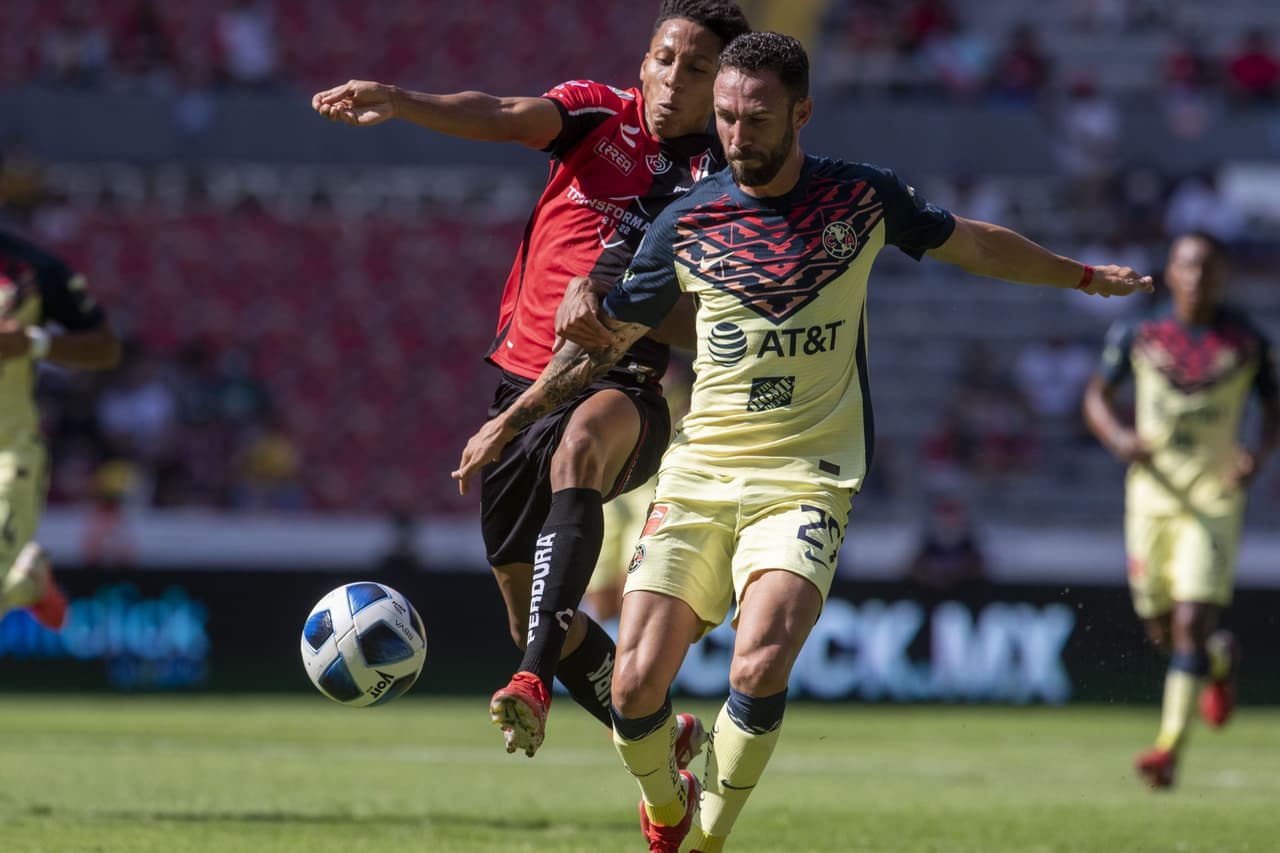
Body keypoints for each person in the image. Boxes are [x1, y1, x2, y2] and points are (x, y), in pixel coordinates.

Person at [454, 31, 1151, 852]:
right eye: (724, 119)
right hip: (702, 468)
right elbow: (602, 337)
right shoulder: (682, 223)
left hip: (807, 476)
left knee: (759, 663)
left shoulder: (860, 199)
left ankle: (703, 837)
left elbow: (973, 242)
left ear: (802, 113)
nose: (735, 136)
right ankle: (666, 800)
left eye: (755, 118)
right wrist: (511, 416)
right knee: (636, 685)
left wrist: (1078, 274)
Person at [314, 0, 752, 761]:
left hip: (626, 388)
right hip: (519, 388)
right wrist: (403, 100)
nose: (675, 78)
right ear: (643, 61)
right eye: (666, 57)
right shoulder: (596, 115)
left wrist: (636, 317)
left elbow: (713, 318)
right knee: (532, 615)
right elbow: (504, 113)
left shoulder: (721, 183)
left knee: (579, 449)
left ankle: (529, 684)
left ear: (722, 87)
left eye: (700, 67)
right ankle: (655, 728)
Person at [1083, 231, 1278, 790]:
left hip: (1213, 498)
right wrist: (1119, 437)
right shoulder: (1139, 334)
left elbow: (1274, 411)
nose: (1198, 276)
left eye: (1209, 267)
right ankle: (1219, 661)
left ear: (1223, 276)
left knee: (1190, 624)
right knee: (1163, 631)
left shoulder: (1247, 343)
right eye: (1188, 265)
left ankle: (1168, 748)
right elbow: (1096, 396)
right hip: (1152, 498)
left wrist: (1256, 455)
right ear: (1170, 272)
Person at [0, 228, 121, 628]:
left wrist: (34, 343)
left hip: (6, 450)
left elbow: (105, 346)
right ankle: (26, 584)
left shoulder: (33, 269)